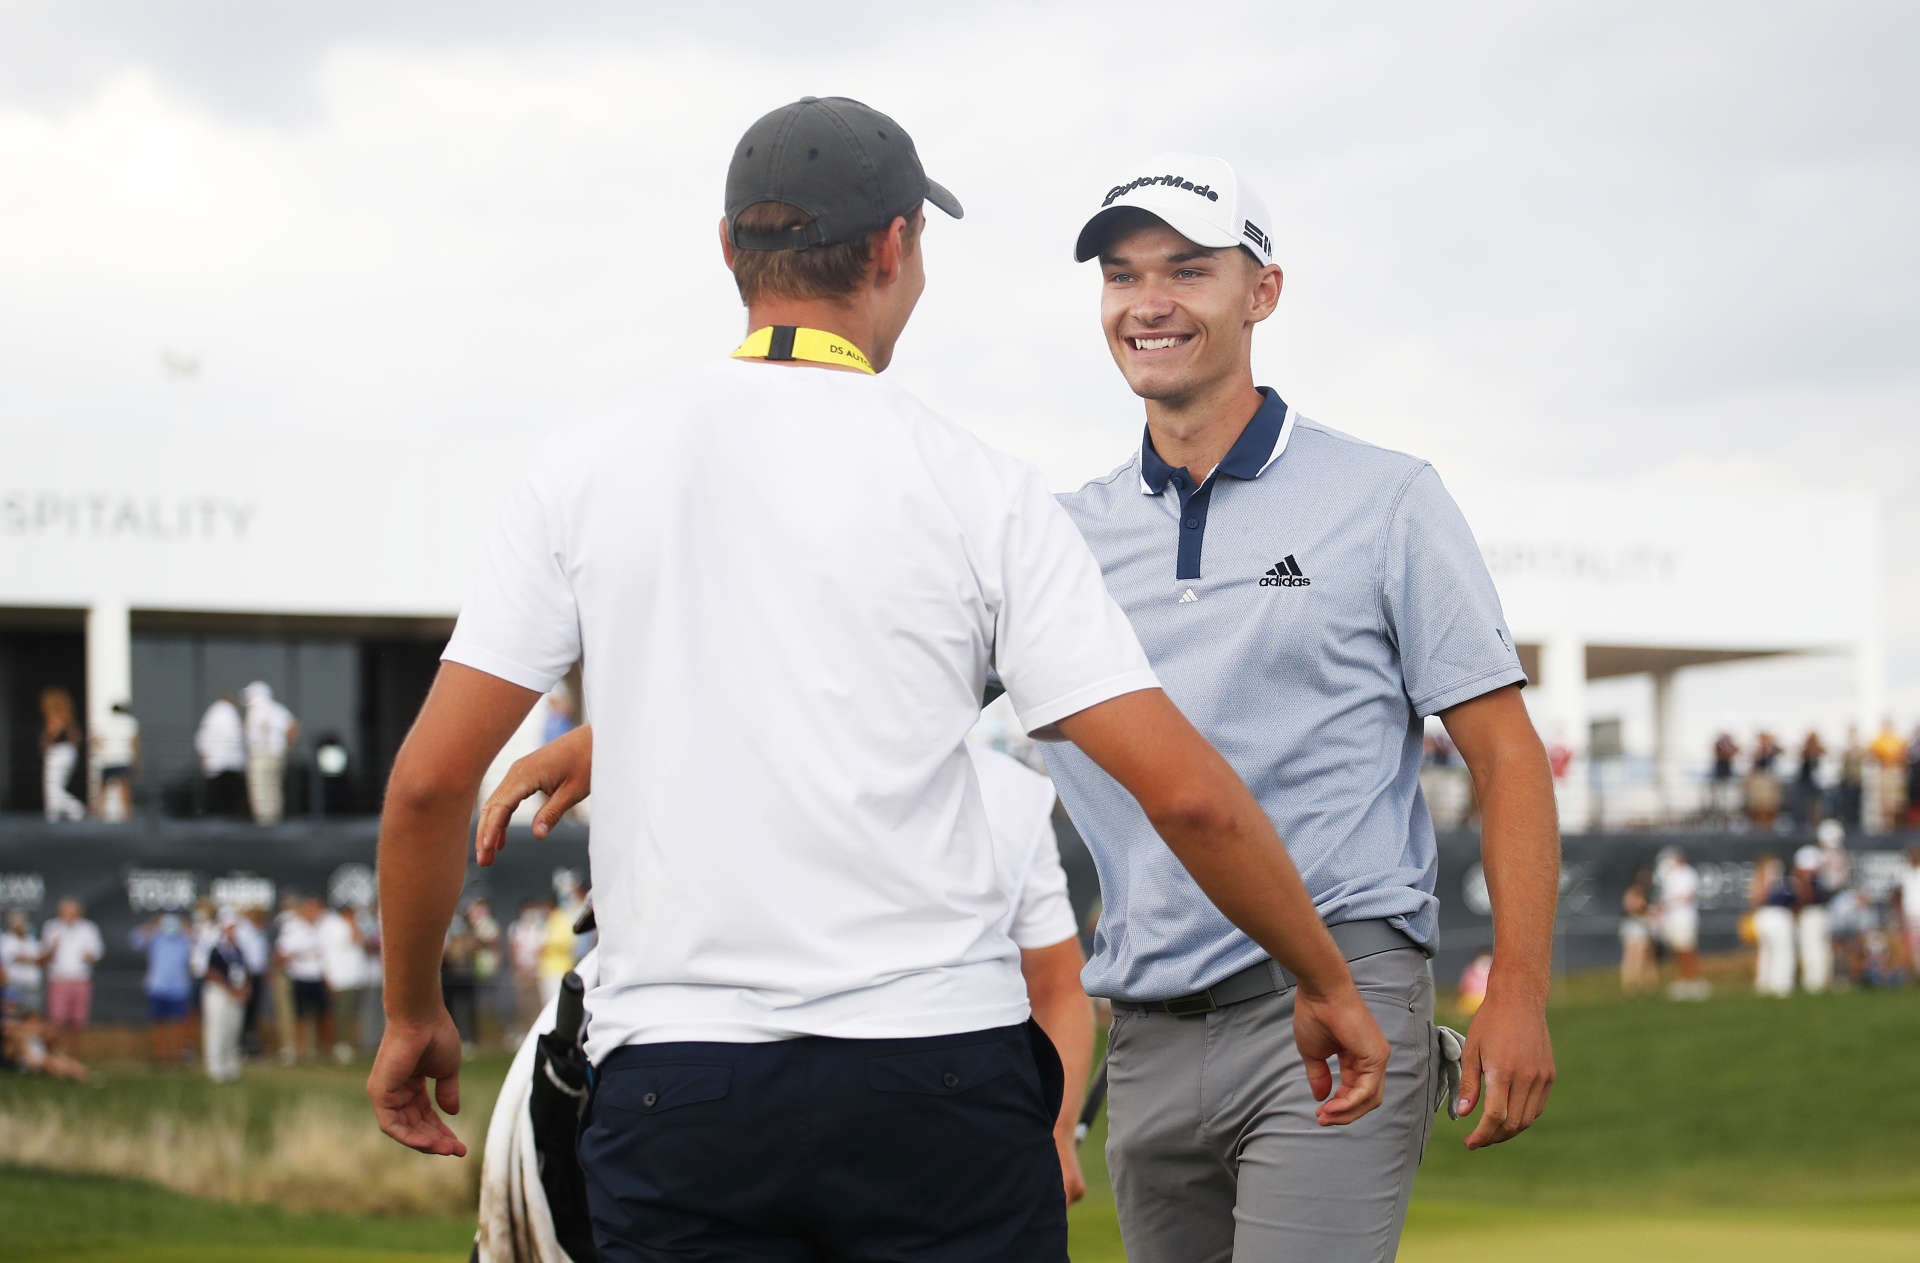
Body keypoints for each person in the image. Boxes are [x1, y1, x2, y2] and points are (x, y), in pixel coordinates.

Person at [369, 97, 1387, 1263]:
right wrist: (1324, 979)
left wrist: (412, 1013)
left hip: (678, 1091)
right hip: (937, 1083)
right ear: (897, 248)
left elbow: (430, 784)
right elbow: (1188, 794)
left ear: (727, 252)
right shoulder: (980, 487)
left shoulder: (585, 466)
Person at [1033, 153, 1559, 1260]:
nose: (1150, 303)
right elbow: (883, 676)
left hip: (1340, 997)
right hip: (1149, 1024)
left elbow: (1506, 757)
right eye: (1123, 277)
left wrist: (1516, 990)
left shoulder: (1386, 499)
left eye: (1188, 270)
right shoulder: (1057, 538)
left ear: (1262, 291)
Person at [130, 913, 195, 1064]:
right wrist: (154, 924)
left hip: (179, 987)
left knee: (179, 1023)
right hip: (158, 987)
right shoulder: (156, 937)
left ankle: (176, 1055)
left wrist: (185, 926)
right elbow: (135, 940)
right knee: (158, 1022)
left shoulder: (184, 939)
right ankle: (160, 1055)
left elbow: (199, 939)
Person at [276, 894, 330, 1062]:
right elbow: (281, 954)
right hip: (299, 976)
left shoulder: (321, 926)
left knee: (320, 1014)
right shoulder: (292, 927)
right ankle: (297, 1049)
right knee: (298, 1016)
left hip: (317, 976)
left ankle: (315, 1049)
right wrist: (299, 955)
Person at [41, 897, 104, 1042]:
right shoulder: (51, 927)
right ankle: (57, 1051)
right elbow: (43, 956)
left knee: (78, 1019)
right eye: (65, 911)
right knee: (56, 1018)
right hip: (59, 978)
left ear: (79, 912)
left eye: (72, 911)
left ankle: (75, 1052)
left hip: (81, 979)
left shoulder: (89, 928)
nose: (69, 914)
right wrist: (53, 948)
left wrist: (90, 957)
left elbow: (97, 955)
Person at [200, 909, 252, 1083]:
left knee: (232, 1030)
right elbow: (209, 972)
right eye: (231, 928)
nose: (233, 932)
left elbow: (244, 972)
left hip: (235, 995)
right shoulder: (215, 949)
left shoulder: (237, 950)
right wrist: (229, 989)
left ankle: (230, 1067)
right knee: (217, 1030)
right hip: (218, 993)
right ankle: (215, 1068)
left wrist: (244, 989)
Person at [241, 681, 299, 826]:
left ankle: (264, 818)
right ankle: (273, 816)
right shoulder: (278, 709)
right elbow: (293, 725)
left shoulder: (257, 710)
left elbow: (251, 731)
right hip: (276, 753)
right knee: (273, 785)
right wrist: (286, 746)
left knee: (260, 785)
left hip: (262, 753)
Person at [1654, 848, 1708, 999]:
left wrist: (1670, 903)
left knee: (1688, 949)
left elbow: (1688, 896)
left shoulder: (1688, 873)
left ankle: (1696, 981)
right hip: (1672, 919)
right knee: (1678, 950)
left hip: (1685, 918)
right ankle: (1683, 981)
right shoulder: (1670, 876)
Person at [320, 900, 366, 1063]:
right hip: (342, 979)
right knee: (342, 1013)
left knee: (351, 1013)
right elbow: (354, 939)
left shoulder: (344, 924)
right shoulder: (335, 926)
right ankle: (340, 1046)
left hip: (354, 978)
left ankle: (349, 1044)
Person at [1749, 855, 1796, 997]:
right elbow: (1758, 897)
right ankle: (1781, 985)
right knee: (1782, 951)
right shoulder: (1773, 876)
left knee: (1766, 952)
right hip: (1775, 914)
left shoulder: (1760, 877)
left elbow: (1754, 898)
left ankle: (1764, 984)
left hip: (1763, 916)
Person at [195, 693, 247, 818]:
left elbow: (201, 738)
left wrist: (204, 756)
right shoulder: (228, 713)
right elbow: (238, 737)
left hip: (215, 762)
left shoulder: (212, 713)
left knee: (215, 795)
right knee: (229, 797)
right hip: (230, 764)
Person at [39, 687, 85, 822]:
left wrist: (46, 742)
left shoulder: (54, 716)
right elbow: (77, 737)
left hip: (57, 752)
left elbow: (51, 733)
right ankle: (59, 812)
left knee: (52, 786)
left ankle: (74, 808)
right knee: (56, 785)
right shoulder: (68, 717)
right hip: (69, 752)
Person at [91, 700, 140, 822]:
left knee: (103, 791)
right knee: (125, 791)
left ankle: (98, 816)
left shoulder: (104, 723)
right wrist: (136, 760)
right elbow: (134, 742)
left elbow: (97, 741)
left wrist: (98, 755)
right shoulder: (130, 722)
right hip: (123, 759)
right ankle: (128, 817)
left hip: (107, 760)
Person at [506, 899, 548, 1042]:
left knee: (537, 1004)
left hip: (537, 972)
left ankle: (538, 1032)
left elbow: (542, 949)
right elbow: (513, 949)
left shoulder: (540, 927)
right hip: (522, 972)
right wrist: (519, 968)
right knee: (523, 1004)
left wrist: (533, 968)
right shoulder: (516, 928)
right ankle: (524, 1033)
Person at [1618, 867, 1658, 996]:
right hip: (1633, 928)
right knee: (1632, 957)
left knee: (1643, 958)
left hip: (1641, 928)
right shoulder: (1634, 891)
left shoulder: (1645, 892)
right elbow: (1632, 907)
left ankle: (1641, 984)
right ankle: (1631, 985)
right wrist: (1646, 910)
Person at [2, 909, 44, 1015]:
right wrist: (33, 960)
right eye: (16, 922)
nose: (19, 925)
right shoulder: (6, 939)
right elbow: (16, 958)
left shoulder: (32, 940)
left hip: (31, 983)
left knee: (31, 1013)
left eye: (21, 922)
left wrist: (33, 959)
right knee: (11, 1014)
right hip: (13, 983)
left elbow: (41, 959)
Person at [1709, 732, 1740, 826]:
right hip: (1719, 776)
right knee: (1719, 798)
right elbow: (1722, 754)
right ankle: (1719, 817)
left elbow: (1735, 751)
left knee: (1728, 799)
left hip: (1728, 776)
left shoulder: (1730, 747)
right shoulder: (1718, 746)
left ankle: (1727, 818)